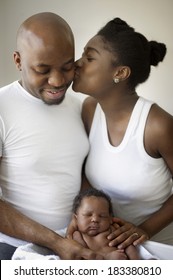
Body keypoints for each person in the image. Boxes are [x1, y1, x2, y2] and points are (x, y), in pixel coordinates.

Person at [0, 12, 103, 260]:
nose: (57, 81)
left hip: (74, 244)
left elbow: (78, 174)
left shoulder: (80, 107)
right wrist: (56, 242)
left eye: (67, 67)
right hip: (14, 249)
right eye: (42, 70)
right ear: (18, 60)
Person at [71, 17, 173, 249]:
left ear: (120, 72)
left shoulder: (158, 125)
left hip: (157, 250)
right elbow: (85, 174)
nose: (77, 63)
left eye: (89, 58)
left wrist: (144, 230)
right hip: (108, 249)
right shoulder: (89, 110)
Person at [72, 188, 140, 259]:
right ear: (76, 218)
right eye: (88, 215)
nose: (95, 219)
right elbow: (82, 255)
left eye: (102, 216)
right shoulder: (77, 235)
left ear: (110, 219)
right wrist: (107, 257)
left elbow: (129, 246)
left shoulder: (113, 230)